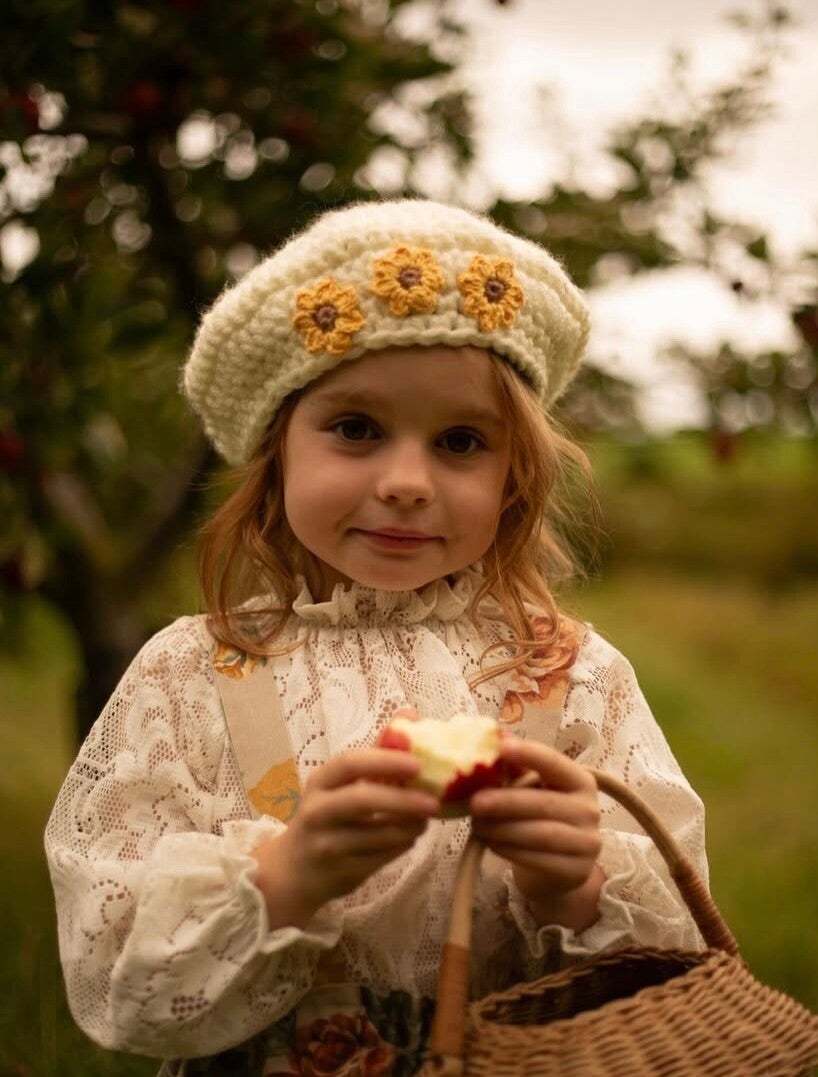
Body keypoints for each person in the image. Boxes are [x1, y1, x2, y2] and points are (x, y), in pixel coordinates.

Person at [45, 199, 707, 1075]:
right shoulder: (186, 676)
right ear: (277, 452)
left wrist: (577, 888)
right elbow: (120, 990)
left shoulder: (573, 676)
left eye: (461, 440)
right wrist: (287, 876)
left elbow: (678, 986)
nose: (404, 481)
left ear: (514, 476)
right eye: (356, 429)